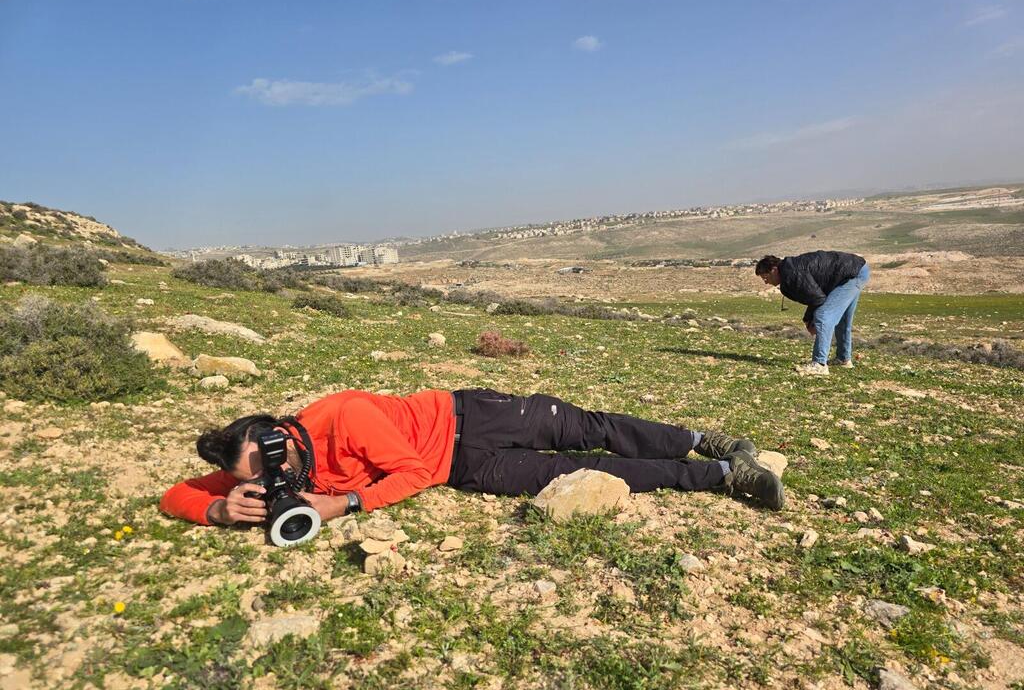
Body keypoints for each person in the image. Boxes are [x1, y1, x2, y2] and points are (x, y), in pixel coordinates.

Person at [160, 388, 786, 528]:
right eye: (261, 477)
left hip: (467, 417)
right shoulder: (255, 464)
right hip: (465, 469)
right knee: (586, 472)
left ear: (282, 435)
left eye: (275, 466)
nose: (276, 480)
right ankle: (724, 476)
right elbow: (173, 495)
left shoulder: (342, 415)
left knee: (587, 429)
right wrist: (219, 508)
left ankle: (702, 441)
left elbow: (412, 472)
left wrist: (345, 502)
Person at [755, 250, 870, 376]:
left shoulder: (792, 273)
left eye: (765, 277)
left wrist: (809, 319)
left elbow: (818, 298)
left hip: (852, 274)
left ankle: (819, 364)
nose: (766, 282)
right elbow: (814, 295)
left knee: (823, 316)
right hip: (856, 269)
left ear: (774, 270)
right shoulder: (791, 269)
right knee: (842, 319)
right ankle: (843, 359)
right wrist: (809, 319)